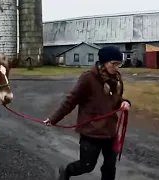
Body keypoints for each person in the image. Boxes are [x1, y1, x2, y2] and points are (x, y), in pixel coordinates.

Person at [43, 46, 131, 180]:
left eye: (119, 64)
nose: (116, 67)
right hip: (91, 133)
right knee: (86, 165)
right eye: (113, 63)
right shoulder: (88, 78)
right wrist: (53, 119)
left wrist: (125, 103)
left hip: (110, 132)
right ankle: (66, 172)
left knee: (109, 167)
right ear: (104, 62)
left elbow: (116, 100)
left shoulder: (116, 79)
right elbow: (70, 101)